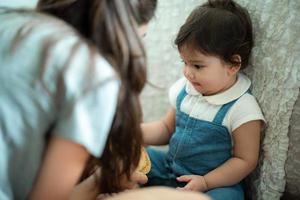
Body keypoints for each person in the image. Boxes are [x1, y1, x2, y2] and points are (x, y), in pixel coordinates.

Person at [0, 0, 158, 199]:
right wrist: (101, 182)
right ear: (125, 34)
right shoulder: (92, 72)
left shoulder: (9, 21)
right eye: (141, 38)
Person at [142, 0, 266, 199]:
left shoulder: (242, 107)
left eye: (197, 66)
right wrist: (133, 133)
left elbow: (245, 160)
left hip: (212, 183)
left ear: (233, 65)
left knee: (229, 197)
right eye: (185, 62)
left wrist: (206, 182)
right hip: (169, 168)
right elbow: (166, 129)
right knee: (131, 158)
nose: (187, 73)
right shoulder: (185, 89)